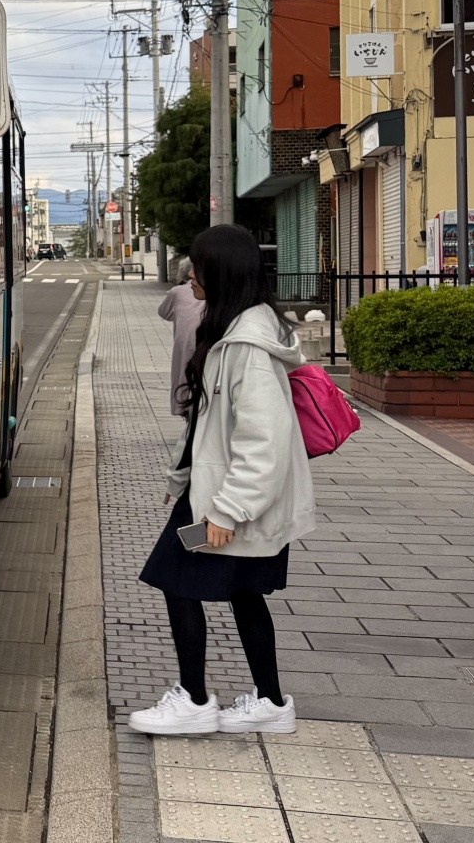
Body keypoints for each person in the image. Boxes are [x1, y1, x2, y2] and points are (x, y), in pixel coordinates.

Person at [128, 224, 316, 737]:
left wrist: (227, 511)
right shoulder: (235, 331)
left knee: (174, 577)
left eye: (198, 267)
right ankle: (271, 702)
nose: (190, 276)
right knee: (244, 592)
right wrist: (181, 477)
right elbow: (206, 427)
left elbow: (264, 441)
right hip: (219, 496)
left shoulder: (247, 348)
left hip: (230, 504)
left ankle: (193, 700)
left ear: (222, 273)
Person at [158, 258, 205, 418]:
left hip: (187, 345)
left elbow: (164, 312)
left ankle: (186, 412)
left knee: (184, 378)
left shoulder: (178, 292)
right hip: (203, 345)